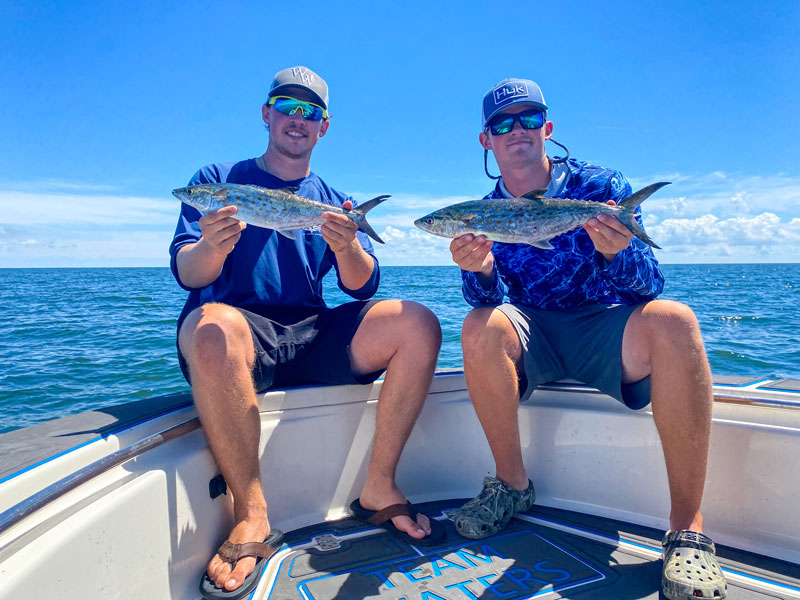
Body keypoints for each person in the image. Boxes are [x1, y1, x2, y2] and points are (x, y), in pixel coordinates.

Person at [170, 65, 445, 600]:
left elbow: (361, 287)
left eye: (311, 112)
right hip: (236, 329)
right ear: (266, 113)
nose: (299, 118)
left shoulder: (331, 199)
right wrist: (214, 244)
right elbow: (189, 273)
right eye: (287, 106)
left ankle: (379, 484)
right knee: (213, 328)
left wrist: (347, 244)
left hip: (309, 328)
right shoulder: (215, 182)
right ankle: (251, 516)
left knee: (417, 323)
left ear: (324, 126)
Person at [447, 78, 727, 600]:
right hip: (534, 329)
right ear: (486, 140)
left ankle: (688, 530)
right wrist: (480, 271)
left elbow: (649, 286)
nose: (517, 131)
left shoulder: (600, 188)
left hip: (604, 324)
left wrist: (619, 251)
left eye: (529, 119)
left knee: (676, 320)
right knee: (477, 327)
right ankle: (511, 488)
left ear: (548, 130)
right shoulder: (485, 212)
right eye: (502, 123)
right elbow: (485, 301)